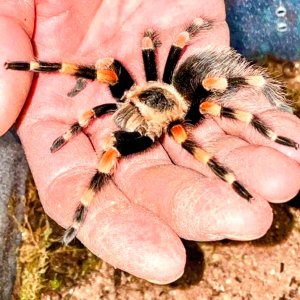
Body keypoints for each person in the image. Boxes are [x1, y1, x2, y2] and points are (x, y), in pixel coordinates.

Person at [0, 0, 299, 284]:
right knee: (104, 71)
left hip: (189, 94)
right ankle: (80, 214)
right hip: (168, 85)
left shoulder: (184, 122)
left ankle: (81, 212)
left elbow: (178, 44)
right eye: (129, 103)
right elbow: (123, 55)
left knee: (210, 104)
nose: (127, 111)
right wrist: (41, 75)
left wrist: (235, 175)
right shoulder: (132, 92)